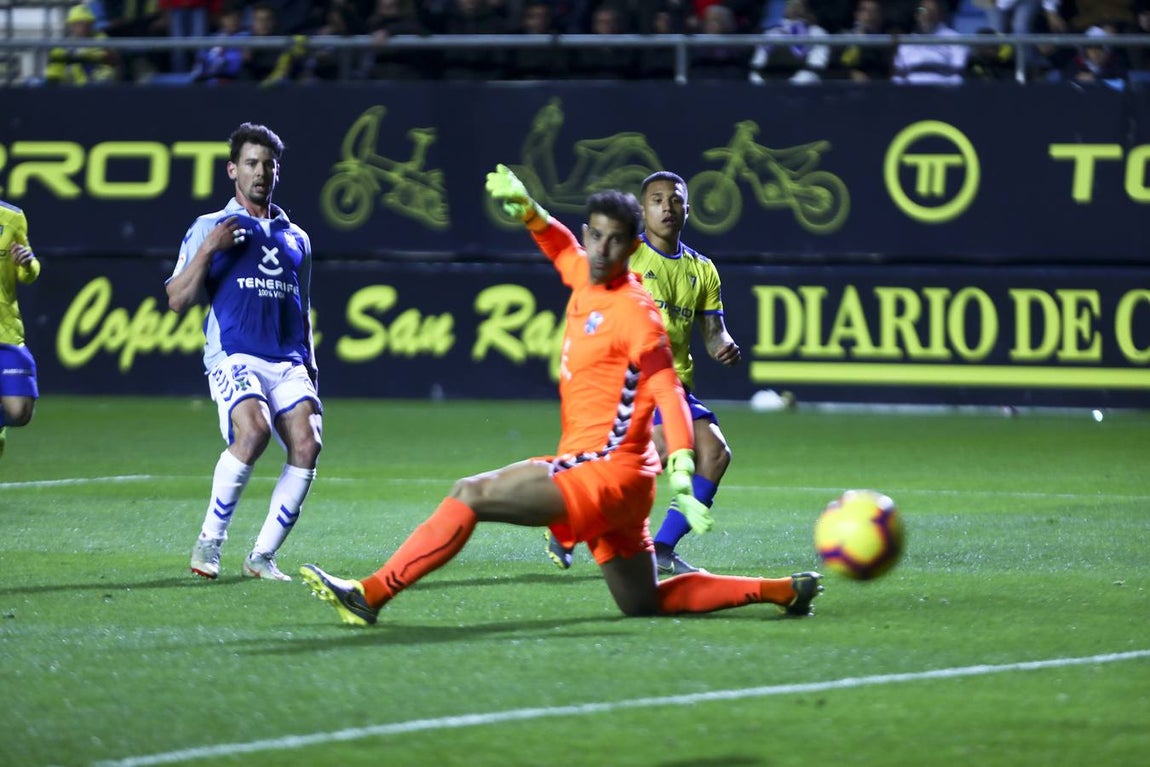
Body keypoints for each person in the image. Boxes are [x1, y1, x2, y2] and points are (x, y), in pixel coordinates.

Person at [298, 165, 823, 626]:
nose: (600, 249)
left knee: (469, 494)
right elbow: (559, 247)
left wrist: (683, 462)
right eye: (594, 236)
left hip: (606, 471)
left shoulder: (637, 312)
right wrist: (529, 211)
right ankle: (778, 590)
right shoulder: (586, 273)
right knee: (641, 602)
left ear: (632, 246)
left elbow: (665, 385)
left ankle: (371, 594)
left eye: (614, 241)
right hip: (620, 480)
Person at [545, 170, 742, 577]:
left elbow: (712, 332)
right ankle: (567, 521)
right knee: (650, 455)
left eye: (675, 199)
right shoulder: (628, 256)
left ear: (688, 208)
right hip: (630, 381)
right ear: (643, 209)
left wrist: (722, 345)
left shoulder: (702, 270)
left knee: (715, 453)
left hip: (673, 384)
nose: (667, 207)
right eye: (657, 199)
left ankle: (661, 547)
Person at [166, 122, 321, 582]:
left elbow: (302, 306)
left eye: (268, 165)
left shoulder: (297, 238)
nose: (260, 172)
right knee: (252, 432)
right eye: (251, 163)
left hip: (288, 359)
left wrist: (311, 368)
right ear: (233, 169)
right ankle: (209, 543)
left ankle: (262, 557)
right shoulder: (210, 227)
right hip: (235, 354)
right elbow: (176, 298)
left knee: (308, 443)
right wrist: (209, 250)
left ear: (277, 173)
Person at [0, 200, 40, 460]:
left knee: (19, 413)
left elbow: (30, 272)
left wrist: (27, 263)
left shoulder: (11, 217)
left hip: (5, 330)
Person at [890, 0, 969, 84]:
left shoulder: (955, 38)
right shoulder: (906, 42)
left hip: (943, 90)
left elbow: (957, 75)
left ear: (940, 15)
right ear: (916, 15)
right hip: (911, 91)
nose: (927, 15)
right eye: (922, 10)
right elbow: (898, 76)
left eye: (932, 11)